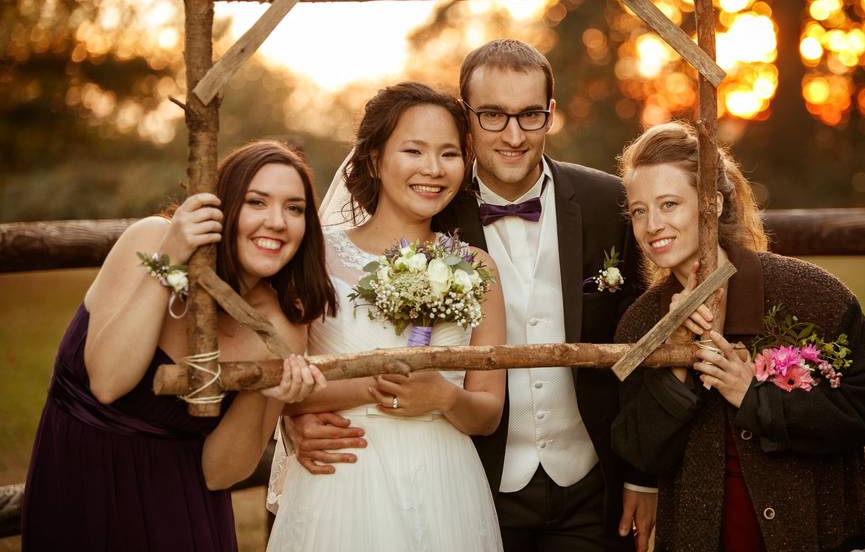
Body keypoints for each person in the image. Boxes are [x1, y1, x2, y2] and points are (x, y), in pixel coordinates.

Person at [288, 40, 655, 551]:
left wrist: (642, 474)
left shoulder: (605, 202)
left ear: (551, 114)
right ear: (467, 117)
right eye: (492, 115)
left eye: (530, 115)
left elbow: (640, 338)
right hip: (473, 480)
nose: (513, 135)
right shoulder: (428, 203)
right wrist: (295, 420)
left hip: (590, 485)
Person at [21, 140, 335, 551]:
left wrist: (264, 392)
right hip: (74, 490)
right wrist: (166, 263)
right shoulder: (152, 240)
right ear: (220, 208)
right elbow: (107, 382)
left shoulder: (281, 327)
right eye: (257, 202)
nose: (277, 221)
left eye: (294, 209)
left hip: (179, 516)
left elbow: (220, 473)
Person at [611, 121, 865, 551]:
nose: (652, 224)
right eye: (639, 210)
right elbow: (640, 452)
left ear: (710, 204)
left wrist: (757, 398)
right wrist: (673, 362)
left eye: (669, 204)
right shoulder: (640, 324)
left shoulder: (811, 294)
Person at [266, 82, 507, 551]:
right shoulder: (314, 258)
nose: (433, 170)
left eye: (450, 154)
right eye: (413, 150)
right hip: (342, 476)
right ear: (375, 160)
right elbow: (283, 385)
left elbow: (488, 414)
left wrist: (443, 397)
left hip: (444, 483)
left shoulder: (477, 267)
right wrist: (371, 390)